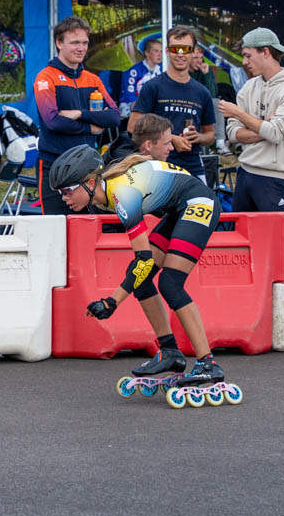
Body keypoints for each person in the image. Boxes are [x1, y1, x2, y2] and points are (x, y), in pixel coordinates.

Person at [49, 145, 230, 390]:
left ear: (90, 183)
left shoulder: (122, 194)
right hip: (178, 208)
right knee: (141, 280)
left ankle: (208, 363)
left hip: (198, 203)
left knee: (170, 283)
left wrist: (111, 302)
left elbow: (143, 260)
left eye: (68, 190)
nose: (64, 197)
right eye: (60, 192)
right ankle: (169, 351)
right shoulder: (105, 194)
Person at [33, 16, 121, 214]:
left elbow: (115, 117)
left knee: (87, 227)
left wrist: (79, 113)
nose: (81, 48)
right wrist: (89, 127)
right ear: (59, 43)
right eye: (75, 43)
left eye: (84, 43)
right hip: (54, 164)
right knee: (57, 226)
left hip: (87, 168)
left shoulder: (92, 79)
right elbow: (53, 122)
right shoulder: (46, 77)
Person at [218, 27, 284, 212]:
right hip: (245, 172)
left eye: (248, 55)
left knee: (272, 231)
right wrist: (264, 129)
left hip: (276, 178)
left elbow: (275, 133)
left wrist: (240, 114)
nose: (244, 62)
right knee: (241, 231)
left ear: (266, 52)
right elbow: (233, 133)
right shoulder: (249, 86)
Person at [129, 26, 214, 184]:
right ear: (167, 51)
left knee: (204, 199)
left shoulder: (202, 92)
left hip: (192, 166)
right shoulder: (152, 87)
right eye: (175, 49)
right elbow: (132, 126)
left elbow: (210, 135)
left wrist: (198, 137)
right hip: (157, 167)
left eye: (186, 49)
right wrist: (171, 139)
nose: (180, 54)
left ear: (193, 52)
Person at [120, 38, 162, 110]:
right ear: (147, 53)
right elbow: (129, 96)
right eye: (156, 51)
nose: (160, 54)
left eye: (161, 51)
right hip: (130, 107)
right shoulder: (134, 71)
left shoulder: (162, 70)